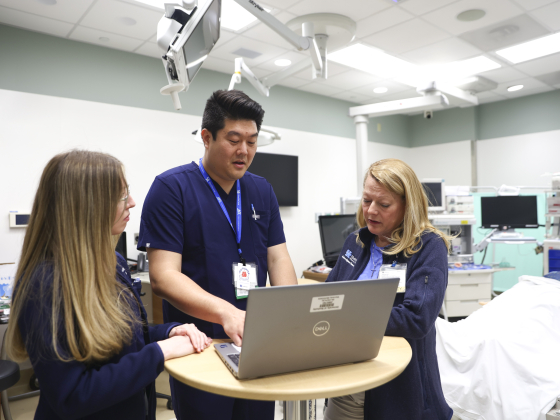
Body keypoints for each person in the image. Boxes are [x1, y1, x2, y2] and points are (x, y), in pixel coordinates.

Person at [5, 150, 212, 420]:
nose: (133, 203)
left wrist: (169, 332)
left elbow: (124, 339)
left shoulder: (111, 262)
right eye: (122, 197)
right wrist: (160, 353)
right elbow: (72, 395)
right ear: (86, 206)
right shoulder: (45, 285)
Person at [138, 89, 298, 420]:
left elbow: (277, 258)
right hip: (200, 345)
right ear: (207, 137)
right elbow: (163, 276)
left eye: (252, 142)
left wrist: (290, 314)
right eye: (234, 139)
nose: (244, 151)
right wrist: (227, 313)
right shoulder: (172, 189)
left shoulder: (261, 189)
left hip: (256, 345)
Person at [324, 158, 453, 420]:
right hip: (346, 381)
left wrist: (348, 319)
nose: (371, 211)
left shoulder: (427, 247)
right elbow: (329, 295)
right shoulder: (357, 241)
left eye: (383, 204)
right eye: (366, 200)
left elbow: (416, 318)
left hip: (397, 386)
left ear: (408, 206)